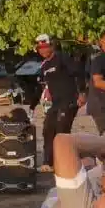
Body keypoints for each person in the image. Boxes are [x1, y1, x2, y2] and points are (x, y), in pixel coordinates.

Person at [36, 35, 82, 172]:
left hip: (69, 100)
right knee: (48, 129)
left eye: (45, 47)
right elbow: (48, 82)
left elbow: (78, 73)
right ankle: (48, 163)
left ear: (52, 46)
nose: (43, 50)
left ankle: (64, 163)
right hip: (55, 103)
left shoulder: (62, 58)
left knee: (62, 131)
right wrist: (48, 92)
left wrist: (82, 92)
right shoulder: (44, 65)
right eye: (40, 48)